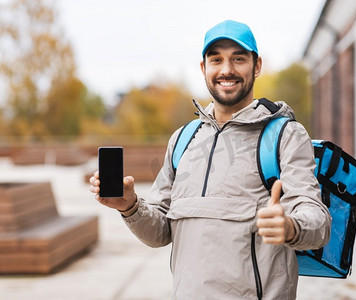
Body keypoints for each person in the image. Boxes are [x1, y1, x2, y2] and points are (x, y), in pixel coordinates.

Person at [90, 20, 331, 299]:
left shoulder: (285, 136)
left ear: (257, 65)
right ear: (204, 68)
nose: (226, 70)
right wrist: (129, 206)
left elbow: (318, 221)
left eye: (238, 59)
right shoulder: (183, 139)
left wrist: (291, 226)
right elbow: (159, 234)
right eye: (216, 59)